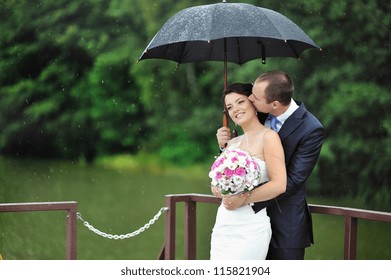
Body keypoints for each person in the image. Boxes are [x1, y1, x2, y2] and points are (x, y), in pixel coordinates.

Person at [217, 71, 325, 260]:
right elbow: (243, 152)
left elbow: (293, 181)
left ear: (274, 103)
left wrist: (244, 199)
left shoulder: (311, 129)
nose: (250, 99)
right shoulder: (258, 113)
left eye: (255, 98)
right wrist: (224, 147)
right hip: (244, 224)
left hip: (285, 224)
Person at [210, 83, 286, 260]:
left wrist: (242, 198)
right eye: (229, 107)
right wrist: (224, 193)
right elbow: (214, 185)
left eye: (240, 102)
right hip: (224, 224)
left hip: (250, 227)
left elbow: (279, 185)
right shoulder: (232, 144)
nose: (235, 109)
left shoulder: (269, 137)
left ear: (252, 102)